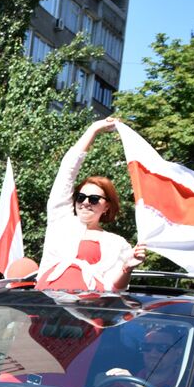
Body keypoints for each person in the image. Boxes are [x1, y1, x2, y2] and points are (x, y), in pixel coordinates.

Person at [37, 117, 147, 292]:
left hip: (88, 312)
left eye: (94, 199)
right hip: (47, 309)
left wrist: (127, 267)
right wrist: (93, 129)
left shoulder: (117, 244)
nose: (86, 203)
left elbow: (114, 288)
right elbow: (67, 170)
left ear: (107, 206)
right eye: (81, 197)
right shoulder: (61, 221)